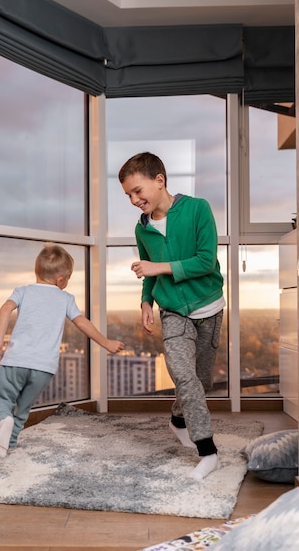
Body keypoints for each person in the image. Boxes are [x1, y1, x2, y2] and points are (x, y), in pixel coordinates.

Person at [118, 151, 225, 481]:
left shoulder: (197, 209)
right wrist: (146, 302)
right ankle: (208, 452)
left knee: (200, 382)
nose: (135, 200)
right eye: (129, 196)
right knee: (182, 374)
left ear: (159, 180)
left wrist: (158, 267)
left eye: (138, 191)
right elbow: (149, 274)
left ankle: (178, 419)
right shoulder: (143, 230)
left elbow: (205, 261)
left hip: (209, 307)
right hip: (173, 312)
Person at [0, 243, 125, 461]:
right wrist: (106, 343)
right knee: (22, 409)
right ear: (61, 280)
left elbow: (5, 309)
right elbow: (82, 323)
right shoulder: (66, 298)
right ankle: (5, 447)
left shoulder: (22, 291)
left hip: (16, 360)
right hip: (44, 368)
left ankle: (3, 421)